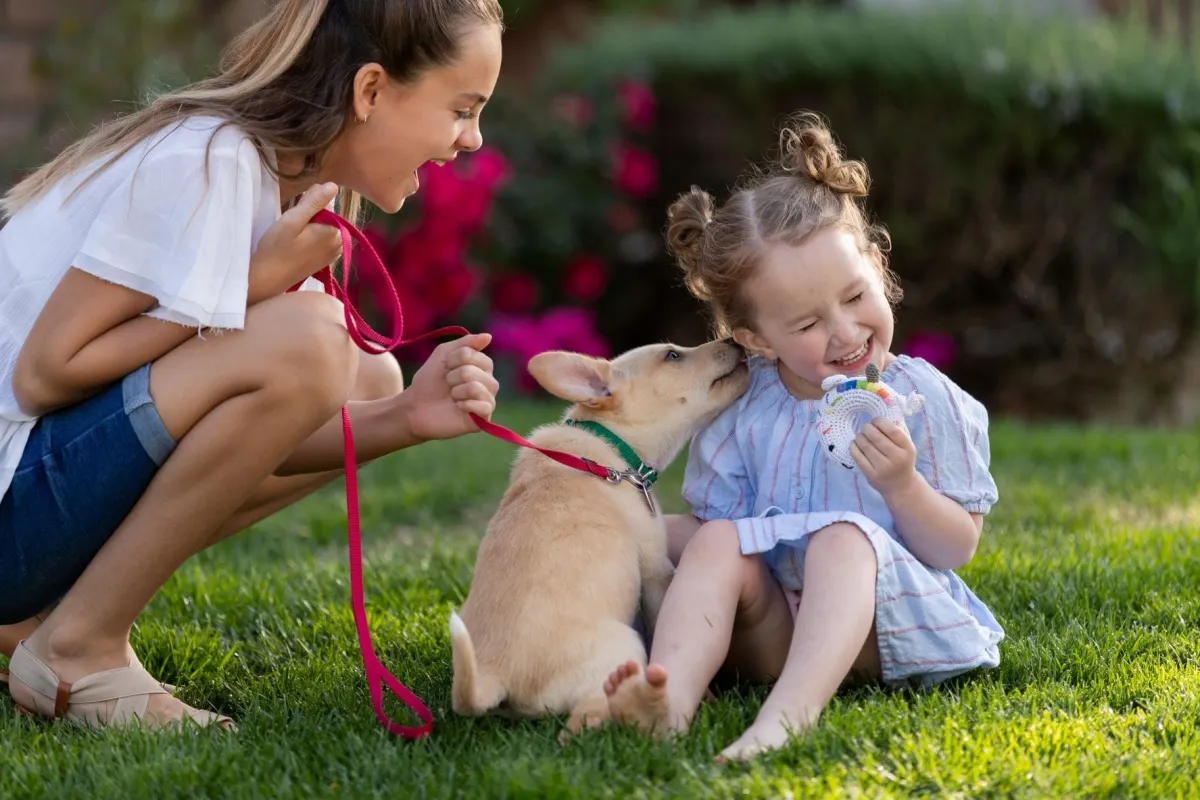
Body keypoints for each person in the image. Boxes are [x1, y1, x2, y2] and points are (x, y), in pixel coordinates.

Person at [0, 0, 504, 731]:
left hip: (29, 507)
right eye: (461, 109)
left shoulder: (283, 183)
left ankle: (35, 622)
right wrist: (248, 289)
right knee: (313, 340)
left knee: (368, 378)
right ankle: (78, 647)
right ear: (369, 92)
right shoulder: (205, 160)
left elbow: (239, 433)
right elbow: (44, 373)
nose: (473, 138)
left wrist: (404, 421)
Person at [602, 112, 1004, 761]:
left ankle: (784, 718)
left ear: (876, 266)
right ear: (757, 339)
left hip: (887, 628)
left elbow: (956, 546)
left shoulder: (925, 401)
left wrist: (902, 486)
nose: (844, 332)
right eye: (810, 322)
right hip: (776, 627)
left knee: (843, 540)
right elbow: (719, 542)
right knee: (690, 532)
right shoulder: (746, 409)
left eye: (854, 297)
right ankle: (666, 699)